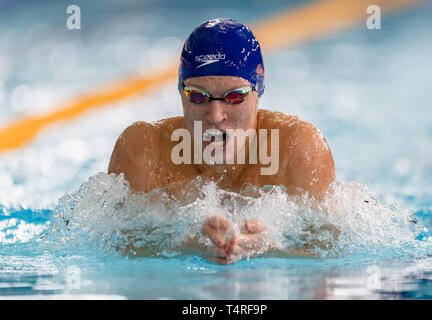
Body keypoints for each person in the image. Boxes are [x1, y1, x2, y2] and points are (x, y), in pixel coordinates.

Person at [108, 18, 336, 264]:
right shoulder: (144, 149)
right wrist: (183, 244)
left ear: (257, 92)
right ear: (180, 93)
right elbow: (111, 246)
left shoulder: (298, 148)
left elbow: (332, 252)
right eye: (197, 96)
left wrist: (271, 248)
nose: (215, 116)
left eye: (235, 97)